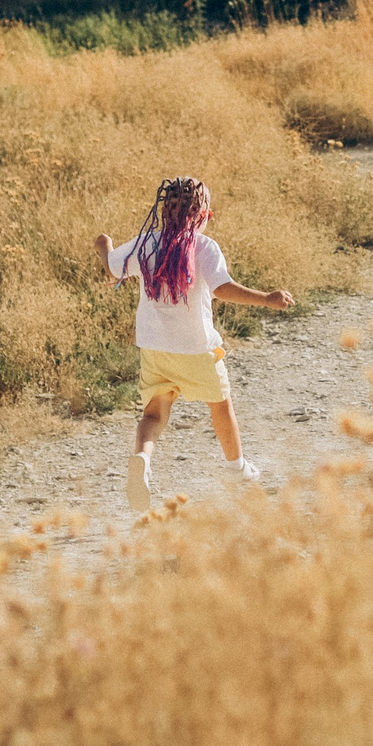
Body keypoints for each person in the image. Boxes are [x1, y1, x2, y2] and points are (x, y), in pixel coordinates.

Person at [95, 176, 292, 514]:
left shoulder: (145, 243)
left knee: (154, 413)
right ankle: (238, 470)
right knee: (220, 406)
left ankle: (143, 457)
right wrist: (267, 299)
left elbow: (112, 269)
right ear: (205, 216)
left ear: (163, 211)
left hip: (155, 350)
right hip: (197, 349)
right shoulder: (203, 247)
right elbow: (223, 288)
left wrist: (103, 246)